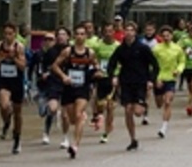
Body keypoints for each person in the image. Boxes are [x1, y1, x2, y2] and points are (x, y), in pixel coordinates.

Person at [107, 21, 159, 151]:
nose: (129, 33)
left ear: (135, 32)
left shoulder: (142, 48)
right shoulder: (120, 49)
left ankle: (143, 105)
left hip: (141, 82)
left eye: (131, 30)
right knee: (128, 110)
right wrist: (113, 76)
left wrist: (151, 80)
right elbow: (111, 64)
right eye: (127, 30)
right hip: (126, 82)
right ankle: (133, 139)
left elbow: (155, 65)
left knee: (137, 112)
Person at [52, 25, 98, 159]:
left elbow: (96, 66)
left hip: (83, 88)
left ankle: (75, 145)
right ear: (74, 36)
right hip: (69, 87)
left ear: (86, 36)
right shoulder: (68, 51)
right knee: (73, 119)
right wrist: (63, 76)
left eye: (82, 34)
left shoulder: (90, 53)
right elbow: (54, 66)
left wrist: (97, 74)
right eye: (77, 34)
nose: (80, 36)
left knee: (78, 114)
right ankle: (80, 121)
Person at [0, 22, 27, 153]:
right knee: (4, 105)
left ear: (15, 34)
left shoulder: (19, 47)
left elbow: (23, 66)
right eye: (5, 33)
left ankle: (17, 139)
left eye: (10, 34)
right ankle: (6, 122)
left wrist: (14, 59)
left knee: (18, 113)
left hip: (16, 80)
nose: (7, 36)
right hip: (4, 80)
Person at [150, 25, 186, 138]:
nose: (166, 37)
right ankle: (163, 122)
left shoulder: (177, 49)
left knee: (167, 102)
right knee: (159, 103)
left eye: (168, 35)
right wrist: (155, 79)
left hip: (171, 78)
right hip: (159, 79)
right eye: (164, 36)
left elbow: (182, 61)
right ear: (161, 37)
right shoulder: (156, 49)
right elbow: (151, 65)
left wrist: (178, 70)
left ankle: (164, 127)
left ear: (172, 36)